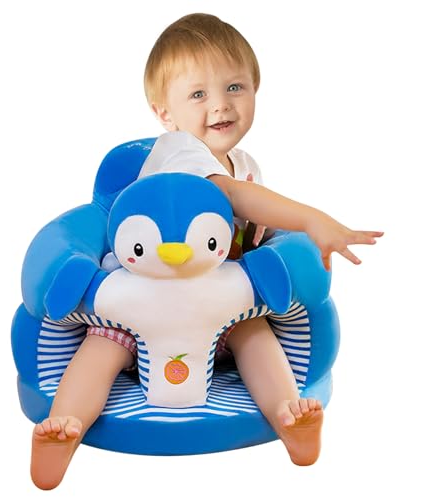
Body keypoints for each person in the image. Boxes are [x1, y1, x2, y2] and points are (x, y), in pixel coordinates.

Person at [30, 13, 383, 489]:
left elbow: (254, 228)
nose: (220, 105)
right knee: (101, 349)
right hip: (138, 309)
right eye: (198, 94)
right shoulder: (178, 149)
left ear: (256, 89)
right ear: (165, 113)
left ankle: (289, 419)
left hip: (220, 314)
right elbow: (232, 196)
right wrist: (310, 219)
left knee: (255, 335)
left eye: (235, 87)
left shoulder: (246, 165)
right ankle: (65, 428)